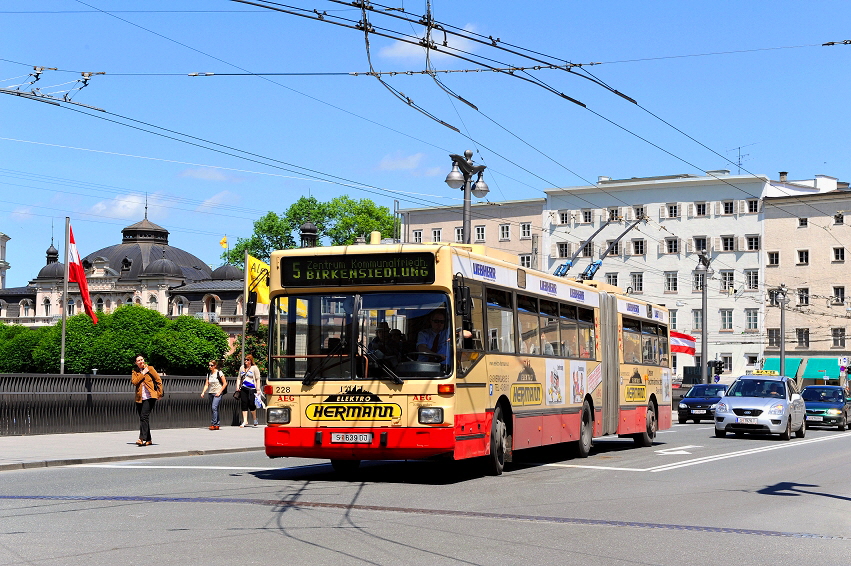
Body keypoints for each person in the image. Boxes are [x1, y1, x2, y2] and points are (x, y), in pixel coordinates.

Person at [131, 354, 162, 446]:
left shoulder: (150, 368)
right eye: (138, 360)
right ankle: (148, 439)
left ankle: (141, 438)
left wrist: (159, 394)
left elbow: (158, 380)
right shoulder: (135, 372)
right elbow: (134, 382)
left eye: (142, 359)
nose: (141, 361)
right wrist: (143, 373)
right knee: (143, 418)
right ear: (136, 363)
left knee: (144, 417)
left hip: (150, 397)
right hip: (140, 398)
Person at [201, 360, 227, 430]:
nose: (210, 367)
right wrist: (203, 392)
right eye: (209, 365)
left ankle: (213, 423)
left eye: (211, 365)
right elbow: (207, 384)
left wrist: (220, 392)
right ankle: (217, 424)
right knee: (214, 409)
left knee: (214, 407)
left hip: (217, 393)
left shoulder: (219, 373)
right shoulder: (209, 374)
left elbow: (225, 383)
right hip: (211, 393)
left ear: (215, 366)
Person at [237, 354, 260, 427]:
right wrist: (237, 386)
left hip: (252, 388)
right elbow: (239, 378)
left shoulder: (254, 368)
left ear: (251, 361)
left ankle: (254, 418)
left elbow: (257, 379)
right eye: (245, 359)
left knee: (251, 404)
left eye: (248, 360)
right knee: (244, 403)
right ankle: (245, 420)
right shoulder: (242, 368)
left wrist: (258, 389)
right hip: (244, 388)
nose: (246, 361)